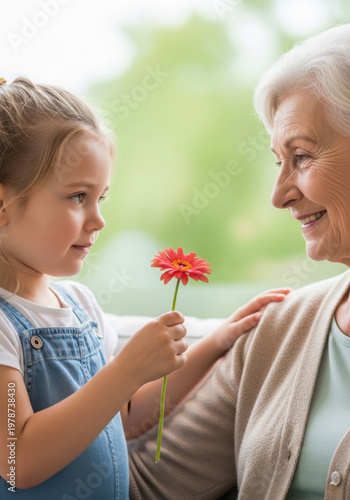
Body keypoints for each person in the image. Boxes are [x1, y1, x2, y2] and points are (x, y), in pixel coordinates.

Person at [0, 76, 289, 499]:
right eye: (78, 196)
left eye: (102, 198)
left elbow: (128, 416)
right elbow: (16, 459)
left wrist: (215, 343)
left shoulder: (81, 304)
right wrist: (125, 370)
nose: (98, 219)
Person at [128, 23, 350, 500]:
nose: (279, 196)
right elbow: (141, 487)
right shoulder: (277, 329)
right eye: (278, 162)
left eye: (302, 156)